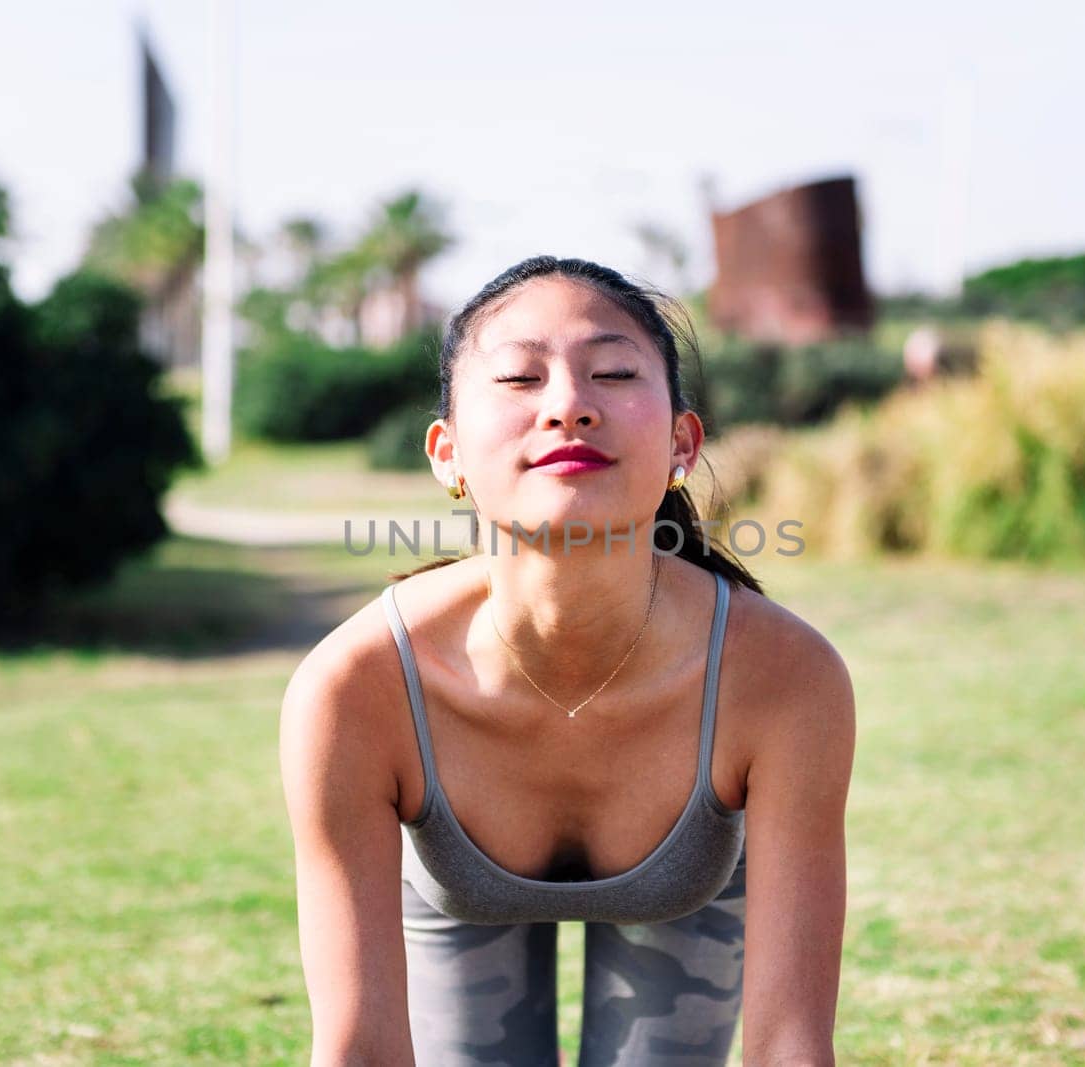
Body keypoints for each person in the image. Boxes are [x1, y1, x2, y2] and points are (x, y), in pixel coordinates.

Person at [280, 256, 856, 1066]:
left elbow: (790, 1045)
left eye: (614, 372)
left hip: (695, 884)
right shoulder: (356, 687)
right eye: (519, 377)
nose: (568, 407)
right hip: (450, 895)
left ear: (682, 444)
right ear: (446, 453)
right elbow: (356, 1049)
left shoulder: (784, 676)